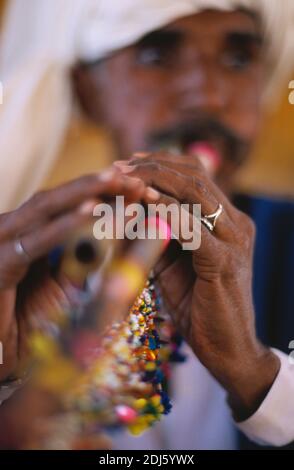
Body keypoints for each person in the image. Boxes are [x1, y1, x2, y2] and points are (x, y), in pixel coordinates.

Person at [0, 0, 294, 449]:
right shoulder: (25, 273)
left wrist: (258, 377)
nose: (209, 96)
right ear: (87, 91)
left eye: (238, 59)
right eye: (157, 55)